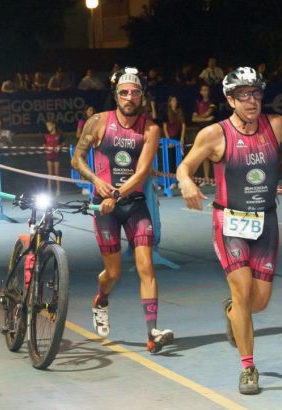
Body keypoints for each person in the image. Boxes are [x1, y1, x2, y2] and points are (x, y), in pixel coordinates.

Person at [176, 67, 282, 395]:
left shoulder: (274, 125)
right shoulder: (214, 134)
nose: (252, 100)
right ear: (230, 99)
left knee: (257, 302)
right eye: (244, 95)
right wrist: (186, 181)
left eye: (257, 93)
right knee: (243, 290)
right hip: (229, 223)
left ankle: (233, 312)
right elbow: (184, 165)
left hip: (266, 222)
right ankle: (248, 367)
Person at [71, 66, 174, 354]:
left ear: (142, 96)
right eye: (124, 92)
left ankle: (152, 332)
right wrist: (95, 181)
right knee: (113, 273)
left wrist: (115, 194)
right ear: (116, 95)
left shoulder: (150, 128)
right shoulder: (98, 122)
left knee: (146, 267)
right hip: (104, 207)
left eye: (135, 92)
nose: (130, 97)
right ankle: (101, 299)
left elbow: (141, 174)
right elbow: (77, 159)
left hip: (133, 204)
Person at [191, 84, 217, 185]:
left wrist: (201, 117)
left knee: (214, 155)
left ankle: (216, 179)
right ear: (201, 92)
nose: (205, 91)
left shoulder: (213, 102)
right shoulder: (197, 103)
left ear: (209, 92)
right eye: (203, 90)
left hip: (212, 131)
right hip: (201, 131)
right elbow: (194, 119)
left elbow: (208, 113)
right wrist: (205, 119)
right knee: (204, 156)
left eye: (207, 90)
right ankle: (206, 179)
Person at [162, 95, 186, 178]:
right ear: (170, 102)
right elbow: (164, 127)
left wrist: (182, 138)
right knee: (171, 158)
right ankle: (172, 178)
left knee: (180, 158)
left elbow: (183, 125)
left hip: (179, 136)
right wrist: (168, 139)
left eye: (175, 100)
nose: (174, 102)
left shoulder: (179, 111)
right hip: (171, 137)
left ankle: (180, 177)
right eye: (173, 101)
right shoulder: (167, 112)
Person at [43, 120, 64, 195]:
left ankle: (58, 190)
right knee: (50, 173)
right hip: (49, 156)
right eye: (47, 126)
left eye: (49, 125)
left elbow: (63, 143)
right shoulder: (46, 136)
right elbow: (44, 145)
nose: (48, 127)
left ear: (54, 125)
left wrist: (59, 146)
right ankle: (49, 190)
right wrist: (45, 147)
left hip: (56, 156)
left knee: (57, 173)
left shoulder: (59, 135)